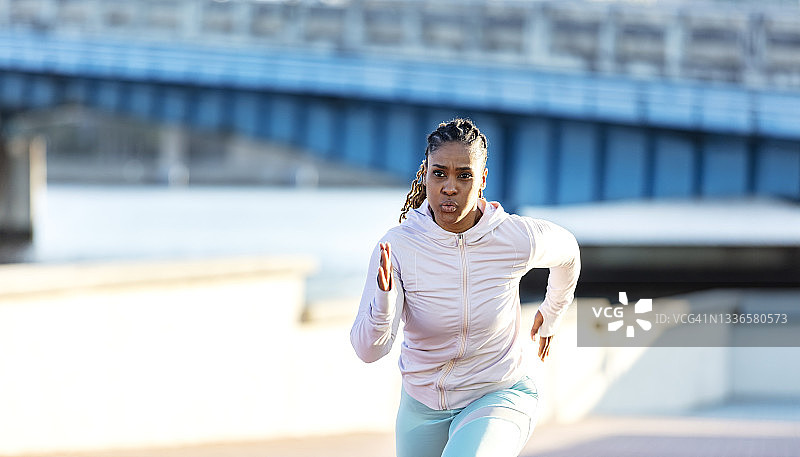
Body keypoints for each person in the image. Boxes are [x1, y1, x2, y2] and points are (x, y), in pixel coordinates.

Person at [350, 118, 580, 457]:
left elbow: (568, 252)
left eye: (464, 175)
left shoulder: (514, 237)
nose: (450, 187)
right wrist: (384, 303)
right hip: (422, 406)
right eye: (439, 173)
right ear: (426, 175)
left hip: (498, 393)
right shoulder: (398, 247)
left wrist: (552, 313)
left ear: (483, 180)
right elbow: (368, 350)